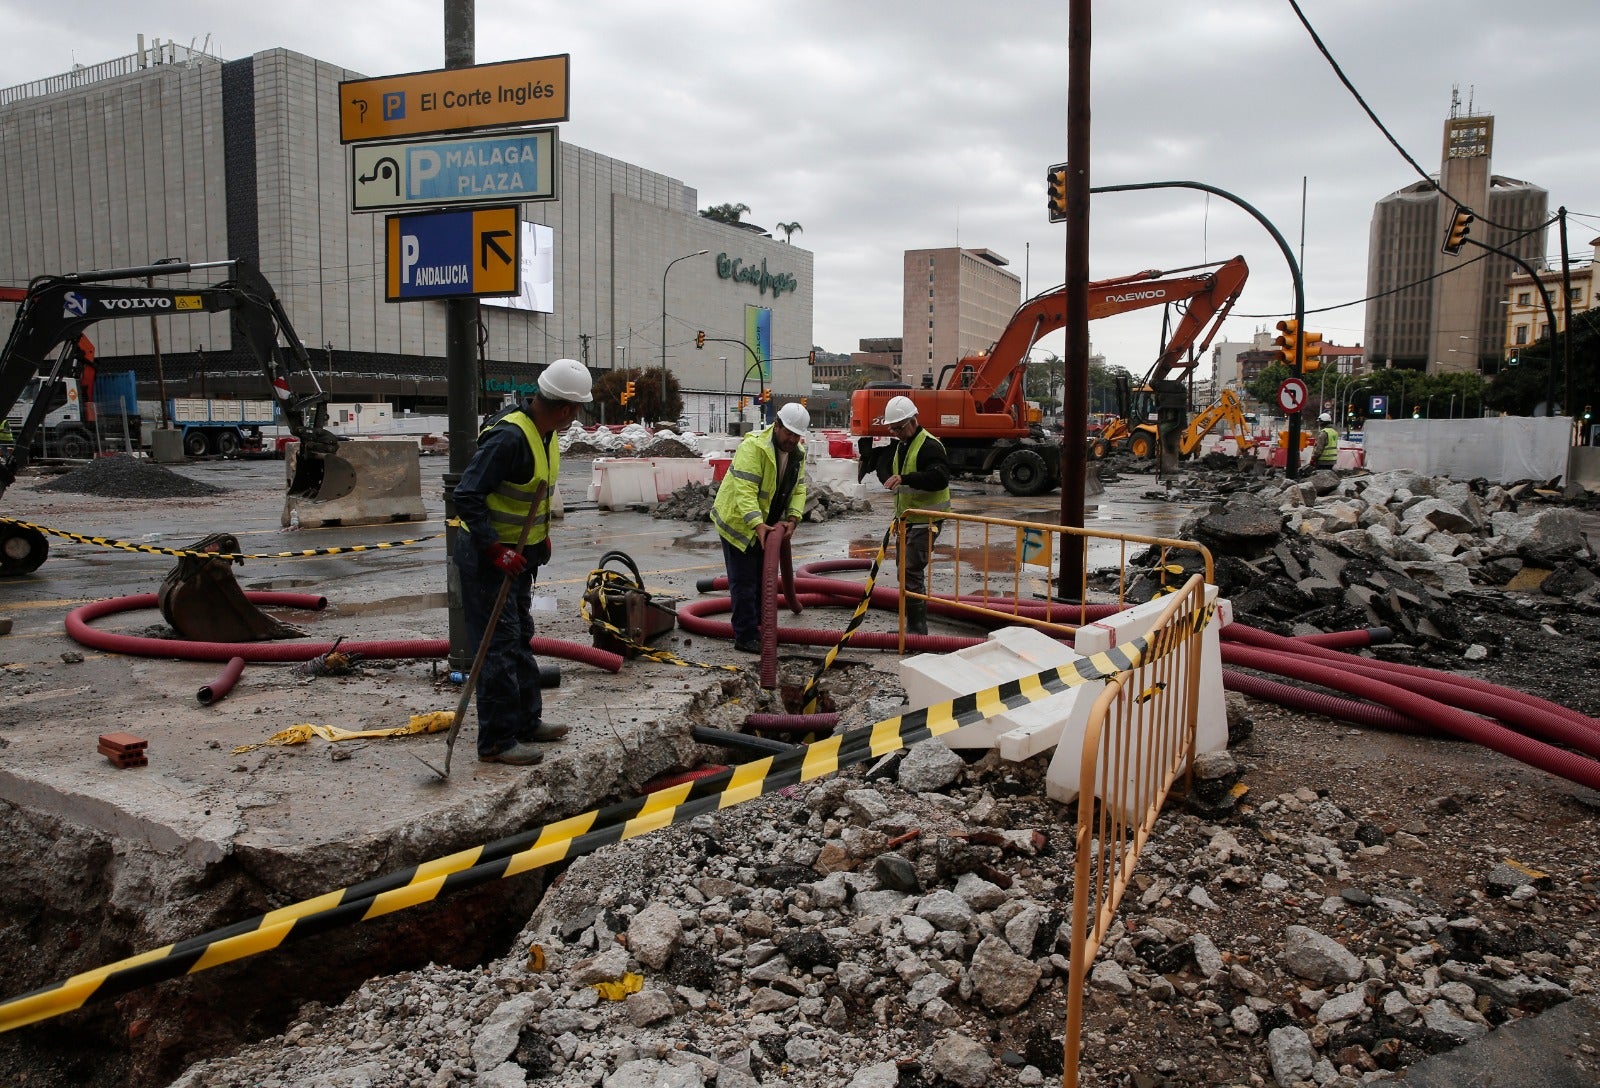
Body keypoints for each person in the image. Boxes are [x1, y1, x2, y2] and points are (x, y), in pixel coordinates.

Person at [453, 357, 592, 765]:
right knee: (496, 647)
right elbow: (467, 495)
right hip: (487, 563)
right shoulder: (511, 438)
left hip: (520, 558)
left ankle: (525, 721)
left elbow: (531, 495)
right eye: (578, 409)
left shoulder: (543, 433)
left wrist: (538, 540)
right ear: (566, 409)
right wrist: (497, 549)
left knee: (518, 638)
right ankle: (496, 742)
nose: (576, 416)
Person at [712, 401, 810, 654]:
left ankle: (758, 628)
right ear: (776, 425)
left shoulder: (797, 454)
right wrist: (757, 524)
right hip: (739, 523)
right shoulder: (753, 447)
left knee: (762, 579)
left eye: (796, 435)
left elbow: (798, 488)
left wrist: (794, 518)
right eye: (788, 433)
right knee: (744, 581)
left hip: (766, 526)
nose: (792, 439)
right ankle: (744, 636)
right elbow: (744, 491)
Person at [877, 395, 951, 636]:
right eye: (893, 428)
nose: (896, 432)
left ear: (912, 421)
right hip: (908, 520)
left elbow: (939, 478)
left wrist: (905, 479)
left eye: (899, 428)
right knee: (904, 571)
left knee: (911, 570)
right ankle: (911, 626)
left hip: (927, 520)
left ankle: (917, 629)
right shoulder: (903, 445)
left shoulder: (930, 446)